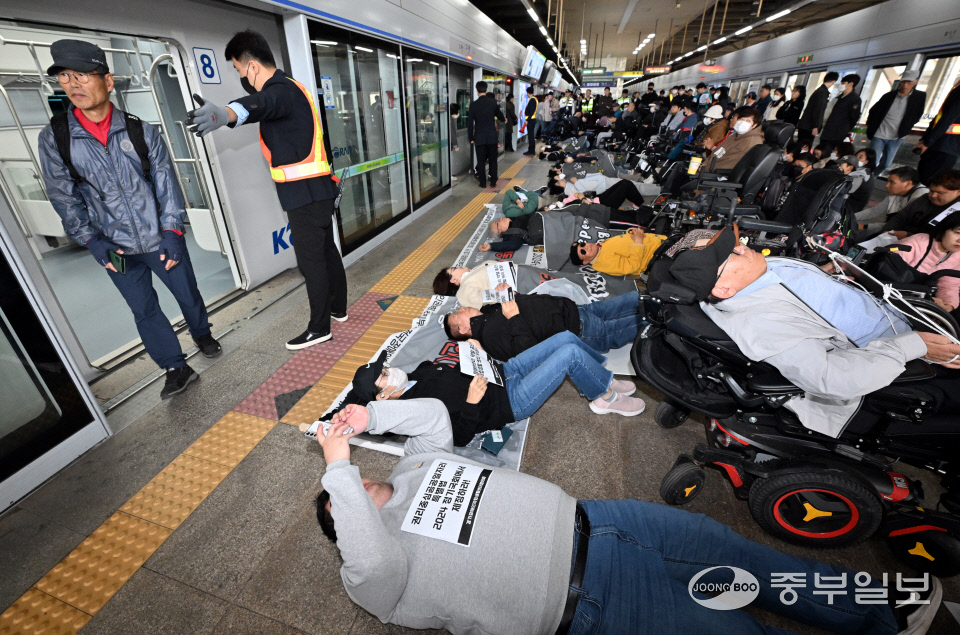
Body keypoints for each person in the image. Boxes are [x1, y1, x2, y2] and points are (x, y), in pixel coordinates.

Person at [315, 398, 939, 635]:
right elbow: (370, 558)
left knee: (743, 558)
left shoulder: (413, 468)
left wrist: (371, 418)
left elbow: (433, 418)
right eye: (342, 501)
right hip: (592, 599)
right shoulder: (372, 571)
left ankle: (878, 609)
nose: (356, 485)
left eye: (352, 480)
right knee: (735, 634)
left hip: (607, 522)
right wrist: (336, 472)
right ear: (343, 525)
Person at [39, 39, 220, 399]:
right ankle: (176, 367)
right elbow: (63, 195)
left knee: (187, 293)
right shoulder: (56, 137)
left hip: (159, 237)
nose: (73, 84)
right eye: (65, 77)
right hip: (113, 247)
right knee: (143, 308)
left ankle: (202, 332)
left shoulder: (141, 130)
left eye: (82, 75)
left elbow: (166, 183)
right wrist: (91, 240)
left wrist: (172, 231)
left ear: (107, 81)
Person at [669, 225, 960, 437]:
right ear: (723, 289)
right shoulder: (762, 323)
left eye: (735, 243)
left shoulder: (758, 271)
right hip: (897, 363)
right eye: (731, 252)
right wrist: (914, 347)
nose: (742, 246)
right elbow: (831, 378)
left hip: (900, 320)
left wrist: (830, 273)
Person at [186, 30, 345, 351]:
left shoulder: (280, 91)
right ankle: (337, 308)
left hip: (304, 194)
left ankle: (319, 328)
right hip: (318, 189)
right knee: (327, 251)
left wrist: (226, 113)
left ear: (253, 66)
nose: (242, 77)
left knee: (311, 261)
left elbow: (262, 104)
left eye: (239, 70)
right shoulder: (294, 87)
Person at [342, 333, 645, 444]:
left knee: (565, 338)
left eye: (384, 367)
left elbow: (455, 368)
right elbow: (458, 438)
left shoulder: (417, 373)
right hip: (509, 401)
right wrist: (472, 401)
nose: (390, 370)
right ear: (383, 397)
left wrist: (474, 353)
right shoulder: (412, 409)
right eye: (383, 376)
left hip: (502, 371)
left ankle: (601, 378)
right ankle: (603, 396)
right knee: (569, 355)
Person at [443, 290, 645, 360]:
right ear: (463, 329)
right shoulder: (489, 338)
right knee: (641, 324)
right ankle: (662, 320)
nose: (462, 308)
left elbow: (523, 306)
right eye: (457, 314)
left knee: (633, 300)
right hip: (579, 329)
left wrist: (512, 294)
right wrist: (514, 317)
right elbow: (528, 352)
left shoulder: (488, 311)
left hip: (574, 310)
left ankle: (660, 298)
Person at [891, 210, 960, 313]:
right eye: (958, 233)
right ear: (944, 229)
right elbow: (890, 270)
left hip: (917, 301)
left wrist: (948, 305)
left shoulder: (957, 256)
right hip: (892, 292)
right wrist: (926, 299)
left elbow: (949, 285)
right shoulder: (917, 243)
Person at [866, 70, 926, 174]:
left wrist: (908, 125)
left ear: (916, 81)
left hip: (896, 137)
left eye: (909, 82)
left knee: (886, 163)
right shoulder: (889, 96)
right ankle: (866, 180)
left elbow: (918, 113)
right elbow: (873, 111)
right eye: (903, 81)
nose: (905, 85)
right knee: (872, 162)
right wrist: (870, 125)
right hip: (879, 134)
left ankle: (873, 177)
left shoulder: (920, 96)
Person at [855, 166, 928, 237]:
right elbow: (874, 211)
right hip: (891, 229)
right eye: (888, 182)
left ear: (908, 183)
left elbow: (899, 224)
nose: (887, 185)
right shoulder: (897, 192)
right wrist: (852, 217)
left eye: (892, 182)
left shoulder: (920, 198)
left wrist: (865, 226)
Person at [915, 78, 960, 185]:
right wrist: (925, 140)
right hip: (946, 147)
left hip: (942, 147)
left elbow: (947, 118)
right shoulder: (957, 88)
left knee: (927, 183)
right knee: (930, 183)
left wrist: (927, 142)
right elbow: (940, 118)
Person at [569, 228, 665, 276]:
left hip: (661, 242)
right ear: (585, 262)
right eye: (583, 252)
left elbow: (623, 243)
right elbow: (631, 266)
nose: (586, 247)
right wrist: (638, 240)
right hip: (660, 254)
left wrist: (632, 232)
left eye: (582, 244)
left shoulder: (601, 246)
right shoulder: (602, 262)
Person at [467, 81, 506, 188]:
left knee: (481, 161)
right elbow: (501, 117)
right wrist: (503, 119)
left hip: (479, 137)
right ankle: (493, 182)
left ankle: (483, 183)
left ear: (477, 91)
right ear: (486, 90)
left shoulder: (473, 105)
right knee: (493, 160)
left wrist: (471, 138)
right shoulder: (493, 102)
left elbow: (470, 123)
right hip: (492, 137)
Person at [705, 107, 764, 171]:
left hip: (717, 174)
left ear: (754, 125)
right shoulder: (736, 135)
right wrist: (703, 165)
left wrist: (705, 168)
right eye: (741, 119)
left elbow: (727, 164)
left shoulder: (750, 142)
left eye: (748, 121)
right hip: (708, 168)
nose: (743, 122)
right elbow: (717, 152)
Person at [797, 71, 839, 146]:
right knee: (804, 147)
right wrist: (816, 126)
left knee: (801, 145)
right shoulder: (823, 92)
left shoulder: (819, 90)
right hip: (809, 126)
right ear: (833, 82)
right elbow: (818, 110)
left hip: (806, 125)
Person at [820, 74, 862, 146]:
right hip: (828, 131)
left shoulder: (855, 99)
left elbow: (854, 117)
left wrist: (848, 129)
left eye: (843, 83)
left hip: (838, 134)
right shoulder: (839, 97)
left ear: (851, 84)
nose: (841, 85)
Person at [523, 86, 539, 156]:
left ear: (528, 93)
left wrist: (527, 120)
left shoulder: (532, 99)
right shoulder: (535, 98)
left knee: (531, 136)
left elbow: (531, 111)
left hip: (531, 121)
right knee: (531, 135)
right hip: (532, 120)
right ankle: (531, 150)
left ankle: (531, 150)